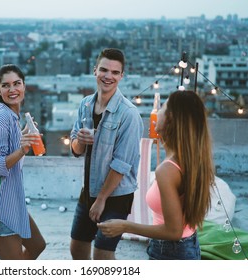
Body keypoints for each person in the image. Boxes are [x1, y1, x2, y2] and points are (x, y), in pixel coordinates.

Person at [98, 90, 215, 260]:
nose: (156, 113)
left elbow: (173, 231)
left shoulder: (167, 170)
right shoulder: (191, 160)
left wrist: (124, 226)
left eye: (162, 109)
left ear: (171, 119)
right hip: (187, 245)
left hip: (171, 253)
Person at [69, 48, 143, 260]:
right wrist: (79, 143)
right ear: (95, 71)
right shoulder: (85, 104)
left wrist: (101, 199)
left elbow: (122, 164)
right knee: (77, 247)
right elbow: (75, 149)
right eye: (104, 70)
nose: (108, 76)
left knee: (102, 254)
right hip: (89, 190)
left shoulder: (129, 114)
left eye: (114, 72)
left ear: (121, 76)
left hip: (116, 195)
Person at [0, 64, 46, 260]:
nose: (12, 89)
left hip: (12, 200)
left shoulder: (12, 116)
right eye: (6, 86)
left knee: (37, 245)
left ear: (24, 85)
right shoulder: (1, 118)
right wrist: (23, 149)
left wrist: (23, 135)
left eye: (17, 83)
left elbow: (6, 146)